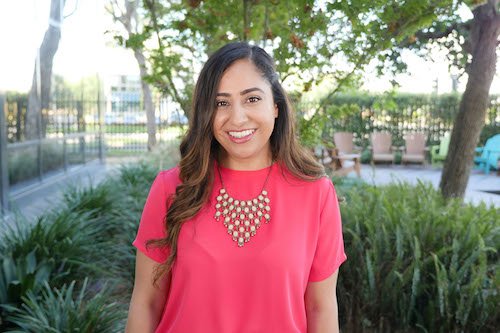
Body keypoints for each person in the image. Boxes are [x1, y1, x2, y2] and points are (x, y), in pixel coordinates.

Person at [126, 42, 347, 333]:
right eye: (221, 103)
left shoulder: (316, 193)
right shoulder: (173, 187)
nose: (237, 118)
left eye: (252, 99)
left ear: (276, 107)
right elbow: (147, 301)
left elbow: (321, 308)